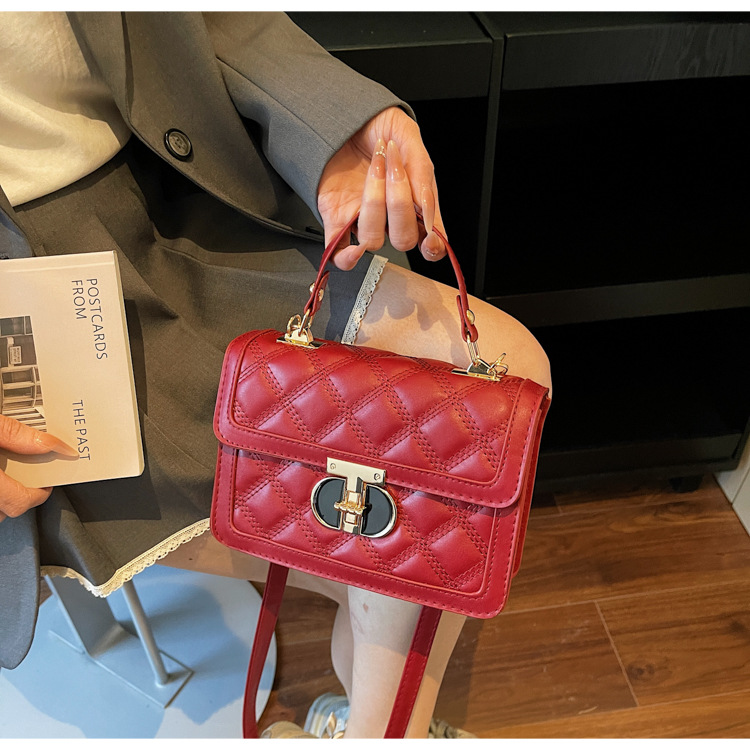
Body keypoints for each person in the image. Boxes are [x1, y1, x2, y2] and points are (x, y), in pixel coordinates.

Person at [0, 11, 551, 738]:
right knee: (410, 533)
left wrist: (338, 121)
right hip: (22, 290)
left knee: (500, 386)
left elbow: (213, 20)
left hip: (176, 183)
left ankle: (379, 730)